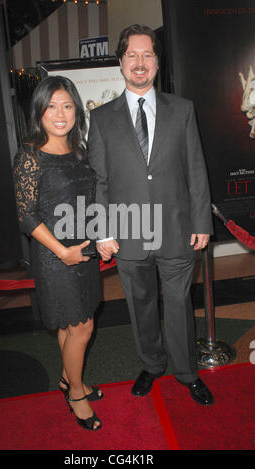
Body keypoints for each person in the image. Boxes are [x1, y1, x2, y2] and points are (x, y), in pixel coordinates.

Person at [88, 24, 214, 406]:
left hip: (177, 231)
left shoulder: (183, 109)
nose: (139, 62)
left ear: (157, 62)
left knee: (178, 305)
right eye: (132, 55)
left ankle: (187, 372)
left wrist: (201, 222)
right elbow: (99, 179)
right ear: (121, 62)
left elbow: (196, 169)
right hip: (127, 233)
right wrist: (101, 230)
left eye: (147, 55)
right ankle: (151, 365)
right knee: (139, 305)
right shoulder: (103, 118)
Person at [13, 76, 103, 431]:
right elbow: (26, 215)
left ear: (76, 110)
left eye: (67, 105)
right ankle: (76, 392)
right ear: (39, 111)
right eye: (52, 106)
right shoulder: (31, 155)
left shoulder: (78, 150)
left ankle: (69, 379)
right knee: (82, 325)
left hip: (82, 250)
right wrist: (62, 251)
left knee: (73, 324)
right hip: (55, 256)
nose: (60, 113)